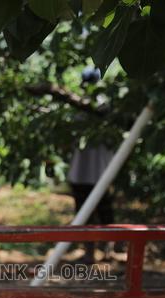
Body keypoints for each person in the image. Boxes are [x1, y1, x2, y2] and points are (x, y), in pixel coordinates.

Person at [67, 67, 115, 263]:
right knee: (103, 212)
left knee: (88, 214)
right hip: (100, 172)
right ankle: (104, 251)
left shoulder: (84, 106)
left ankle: (95, 252)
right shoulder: (107, 105)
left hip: (84, 173)